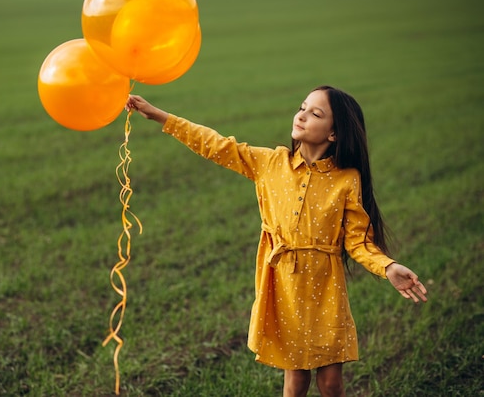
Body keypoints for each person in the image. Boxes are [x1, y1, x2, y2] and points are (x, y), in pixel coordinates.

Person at [125, 86, 428, 397]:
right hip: (285, 286)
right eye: (303, 107)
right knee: (296, 381)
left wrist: (388, 266)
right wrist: (158, 115)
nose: (302, 115)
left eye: (316, 113)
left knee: (331, 381)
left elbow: (358, 242)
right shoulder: (270, 162)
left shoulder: (346, 179)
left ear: (334, 134)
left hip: (326, 288)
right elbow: (215, 144)